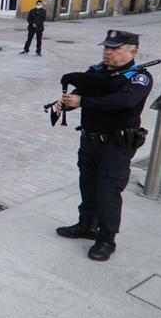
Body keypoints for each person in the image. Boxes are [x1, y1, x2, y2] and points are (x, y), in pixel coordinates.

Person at [54, 30, 152, 261]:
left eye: (115, 48)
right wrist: (67, 103)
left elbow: (124, 101)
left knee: (108, 191)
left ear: (132, 51)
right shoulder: (96, 72)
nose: (108, 52)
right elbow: (81, 92)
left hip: (116, 145)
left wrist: (84, 101)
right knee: (87, 185)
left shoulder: (138, 78)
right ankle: (86, 225)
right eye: (107, 47)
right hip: (89, 141)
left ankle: (107, 239)